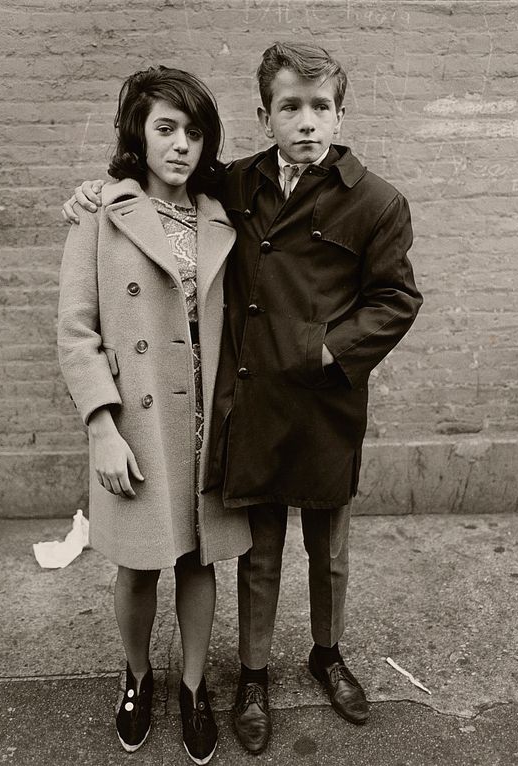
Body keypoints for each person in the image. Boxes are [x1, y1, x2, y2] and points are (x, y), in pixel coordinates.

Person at [63, 42, 422, 754]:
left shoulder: (374, 200)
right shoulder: (237, 184)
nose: (308, 122)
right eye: (291, 107)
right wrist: (95, 190)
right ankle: (246, 676)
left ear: (340, 113)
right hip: (241, 404)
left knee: (328, 548)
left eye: (322, 107)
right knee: (253, 551)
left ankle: (326, 655)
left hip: (322, 401)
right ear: (265, 115)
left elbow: (397, 297)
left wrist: (332, 349)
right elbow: (144, 212)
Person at [57, 65, 251, 765]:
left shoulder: (222, 213)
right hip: (136, 423)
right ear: (138, 133)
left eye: (195, 132)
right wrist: (101, 428)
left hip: (208, 418)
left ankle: (193, 688)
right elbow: (75, 331)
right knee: (139, 566)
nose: (181, 145)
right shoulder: (101, 213)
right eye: (166, 128)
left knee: (201, 562)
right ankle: (138, 677)